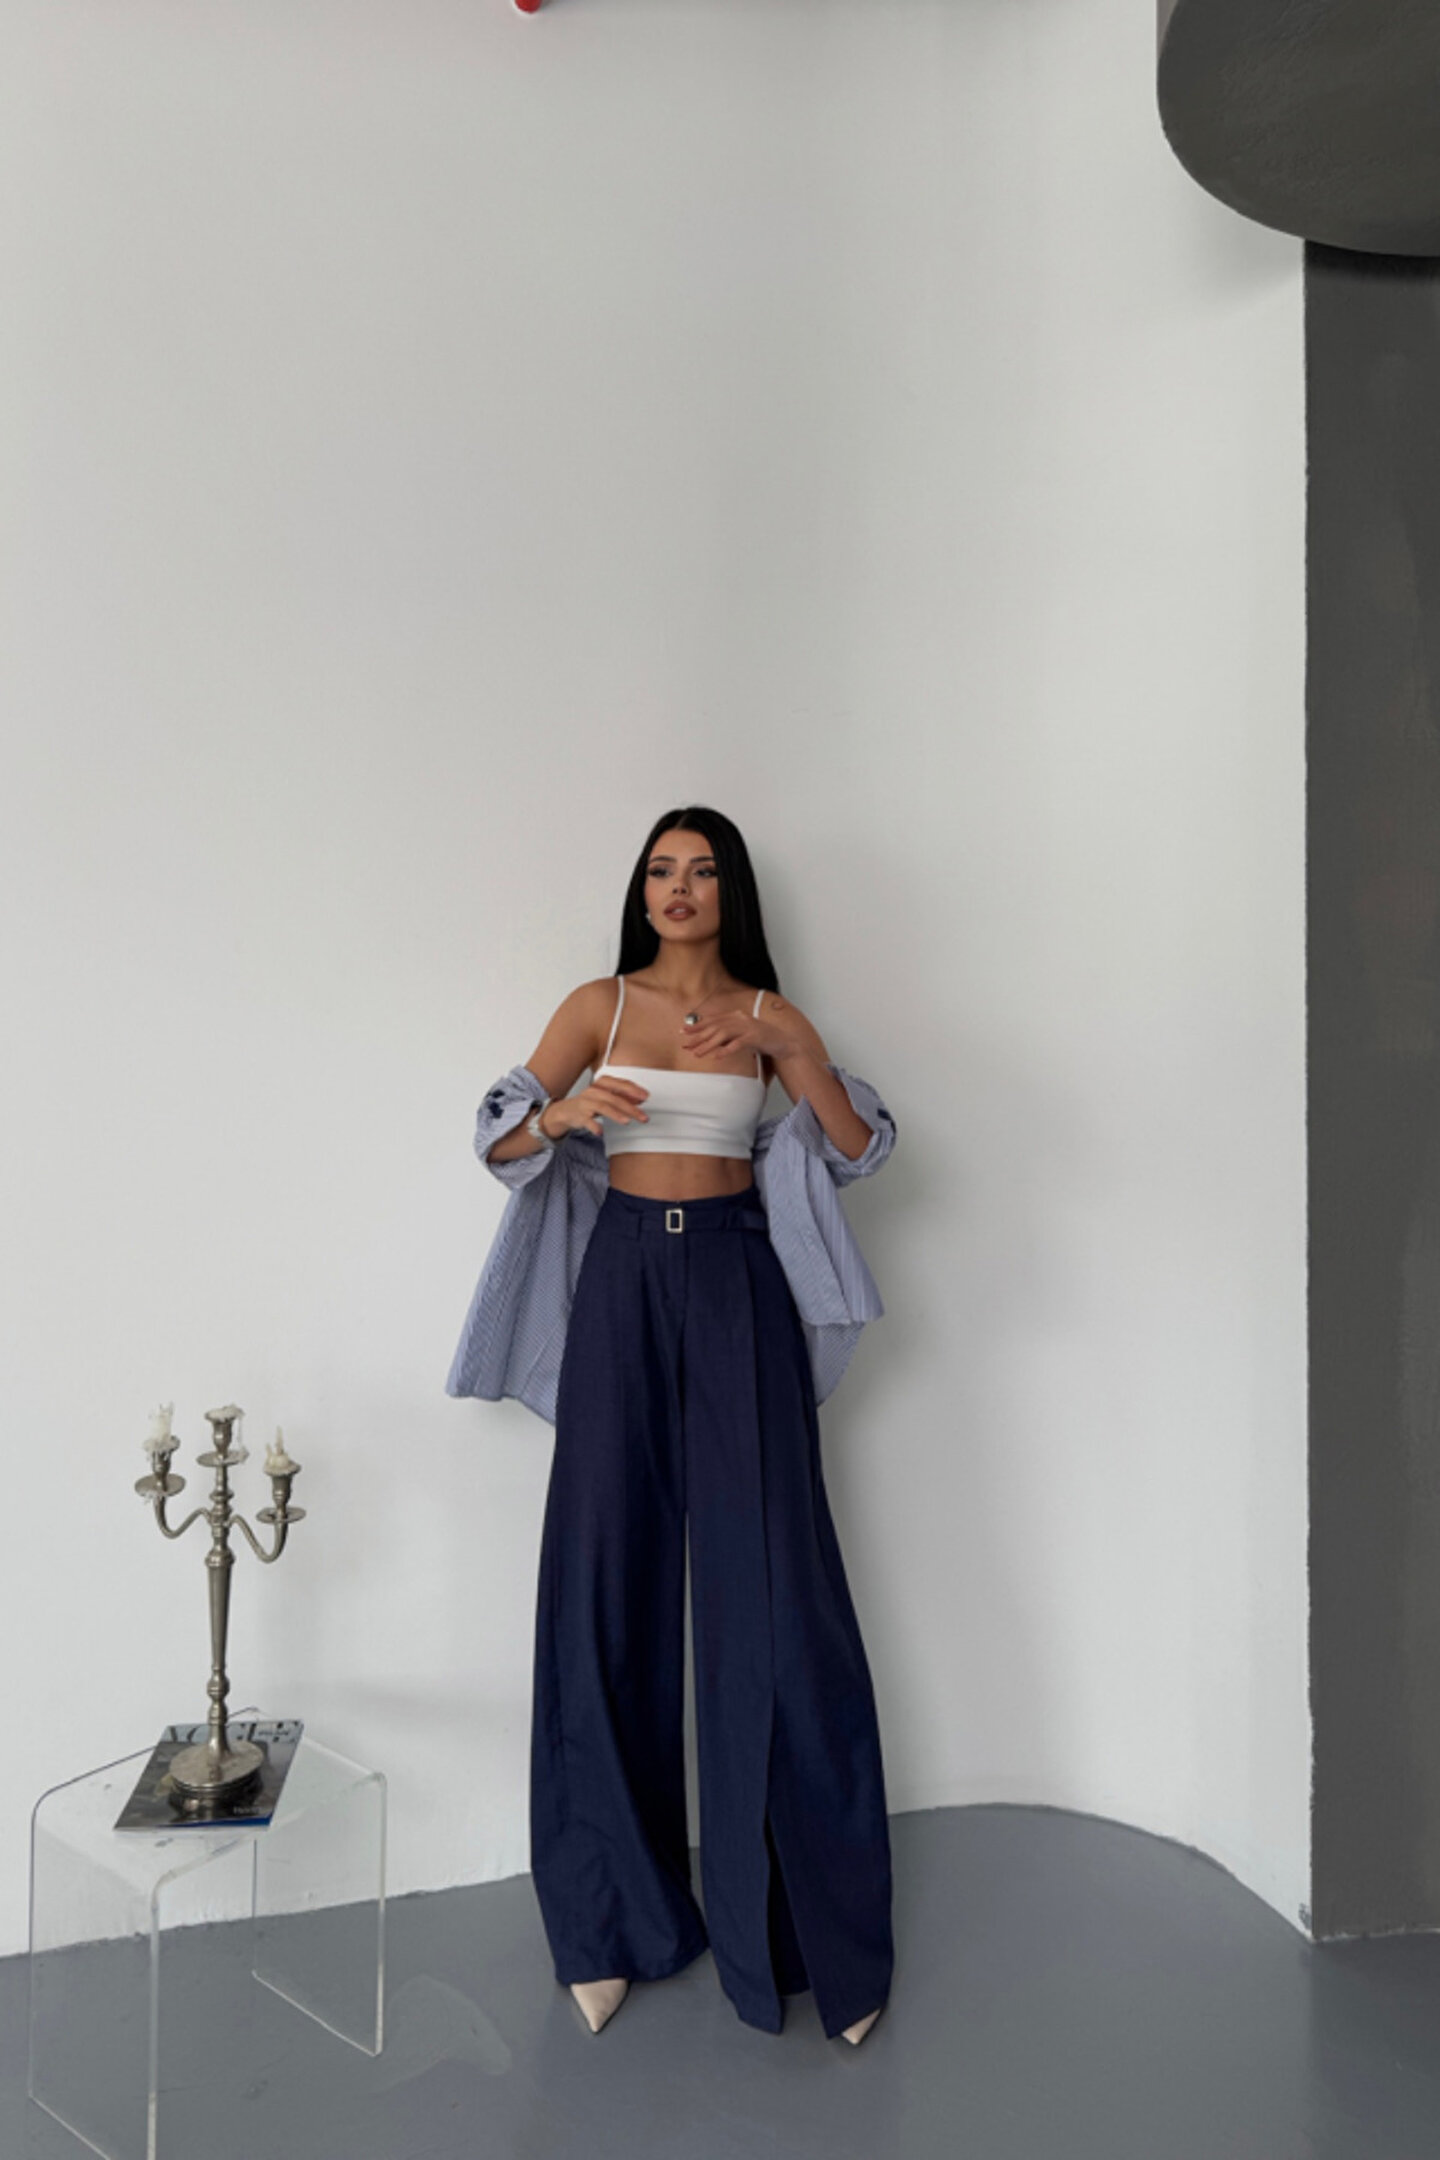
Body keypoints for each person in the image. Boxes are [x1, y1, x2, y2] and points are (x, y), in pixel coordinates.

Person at [448, 805, 896, 2046]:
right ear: (641, 891)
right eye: (661, 870)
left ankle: (809, 1941)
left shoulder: (767, 1015)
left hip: (739, 1281)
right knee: (603, 1583)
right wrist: (559, 1118)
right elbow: (497, 1137)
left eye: (701, 870)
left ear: (729, 890)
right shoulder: (598, 1005)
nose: (680, 887)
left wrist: (794, 1048)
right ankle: (609, 1922)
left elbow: (858, 1150)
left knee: (779, 1598)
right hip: (624, 1281)